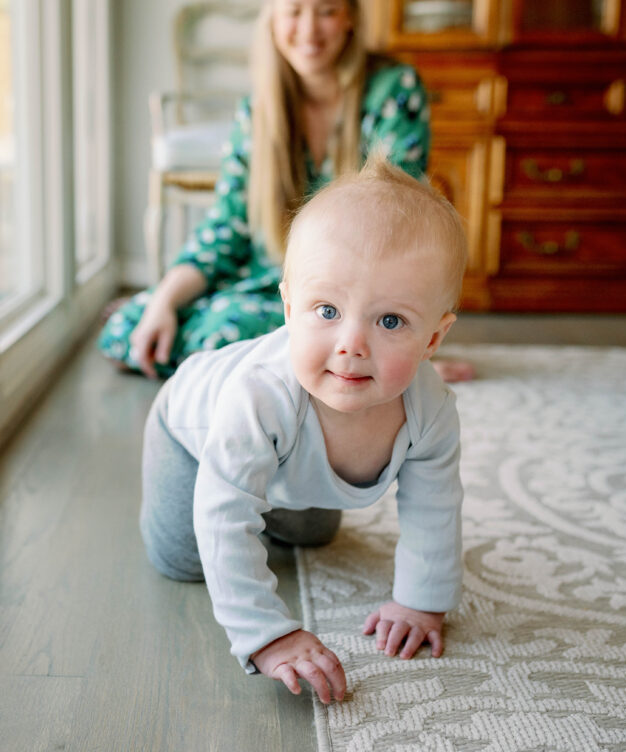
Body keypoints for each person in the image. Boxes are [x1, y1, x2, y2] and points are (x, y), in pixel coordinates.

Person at [139, 154, 466, 704]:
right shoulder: (259, 396)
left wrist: (421, 600)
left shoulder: (429, 408)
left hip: (291, 462)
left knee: (314, 534)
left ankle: (274, 493)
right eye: (327, 310)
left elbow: (435, 505)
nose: (352, 344)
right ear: (289, 307)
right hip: (190, 435)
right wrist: (269, 637)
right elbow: (223, 516)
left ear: (433, 339)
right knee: (186, 559)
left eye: (390, 321)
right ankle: (259, 492)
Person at [99, 0, 474, 382]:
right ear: (273, 20)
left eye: (326, 11)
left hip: (347, 295)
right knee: (129, 326)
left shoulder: (394, 89)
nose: (309, 30)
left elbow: (399, 218)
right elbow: (226, 229)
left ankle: (379, 363)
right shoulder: (257, 109)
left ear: (349, 18)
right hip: (268, 285)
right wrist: (163, 300)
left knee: (220, 334)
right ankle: (295, 363)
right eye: (294, 11)